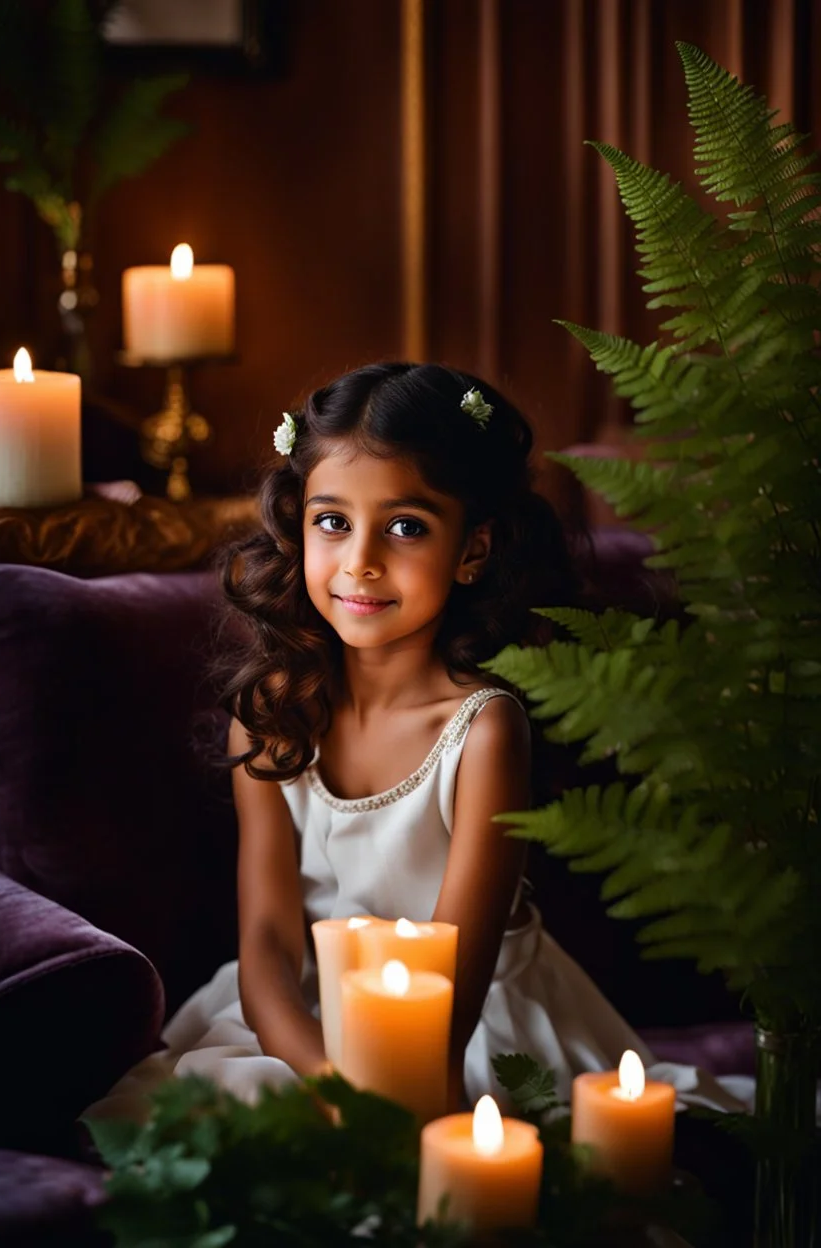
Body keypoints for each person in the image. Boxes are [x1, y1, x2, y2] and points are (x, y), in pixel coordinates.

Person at [87, 361, 749, 1121]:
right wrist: (322, 1072)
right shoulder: (272, 713)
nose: (361, 559)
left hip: (474, 1024)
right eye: (332, 520)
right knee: (220, 1125)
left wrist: (390, 1094)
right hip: (301, 1013)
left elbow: (455, 989)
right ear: (297, 525)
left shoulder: (483, 730)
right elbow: (268, 940)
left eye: (406, 526)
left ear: (472, 550)